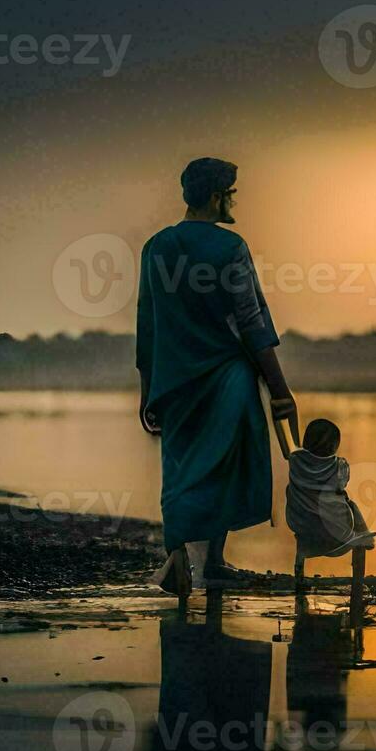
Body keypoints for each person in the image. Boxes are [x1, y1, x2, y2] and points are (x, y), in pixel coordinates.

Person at [137, 157, 298, 597]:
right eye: (230, 194)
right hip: (226, 376)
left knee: (180, 466)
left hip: (174, 380)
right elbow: (252, 321)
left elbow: (147, 324)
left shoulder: (156, 247)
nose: (232, 202)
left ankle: (179, 556)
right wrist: (280, 390)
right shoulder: (230, 247)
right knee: (222, 466)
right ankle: (212, 560)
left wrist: (147, 389)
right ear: (215, 197)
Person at [285, 418, 376, 559]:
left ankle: (299, 572)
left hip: (303, 527)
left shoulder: (294, 460)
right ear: (334, 446)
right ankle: (366, 537)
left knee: (290, 489)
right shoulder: (339, 465)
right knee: (349, 502)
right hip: (337, 536)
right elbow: (342, 485)